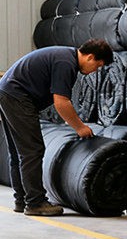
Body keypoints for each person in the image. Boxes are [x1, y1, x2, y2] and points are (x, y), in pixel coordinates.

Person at [0, 39, 113, 216]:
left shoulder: (65, 56)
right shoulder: (66, 63)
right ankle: (35, 203)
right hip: (17, 95)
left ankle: (22, 200)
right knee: (32, 151)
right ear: (90, 57)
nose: (95, 71)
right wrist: (80, 127)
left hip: (7, 92)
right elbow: (61, 102)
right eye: (97, 66)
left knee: (18, 151)